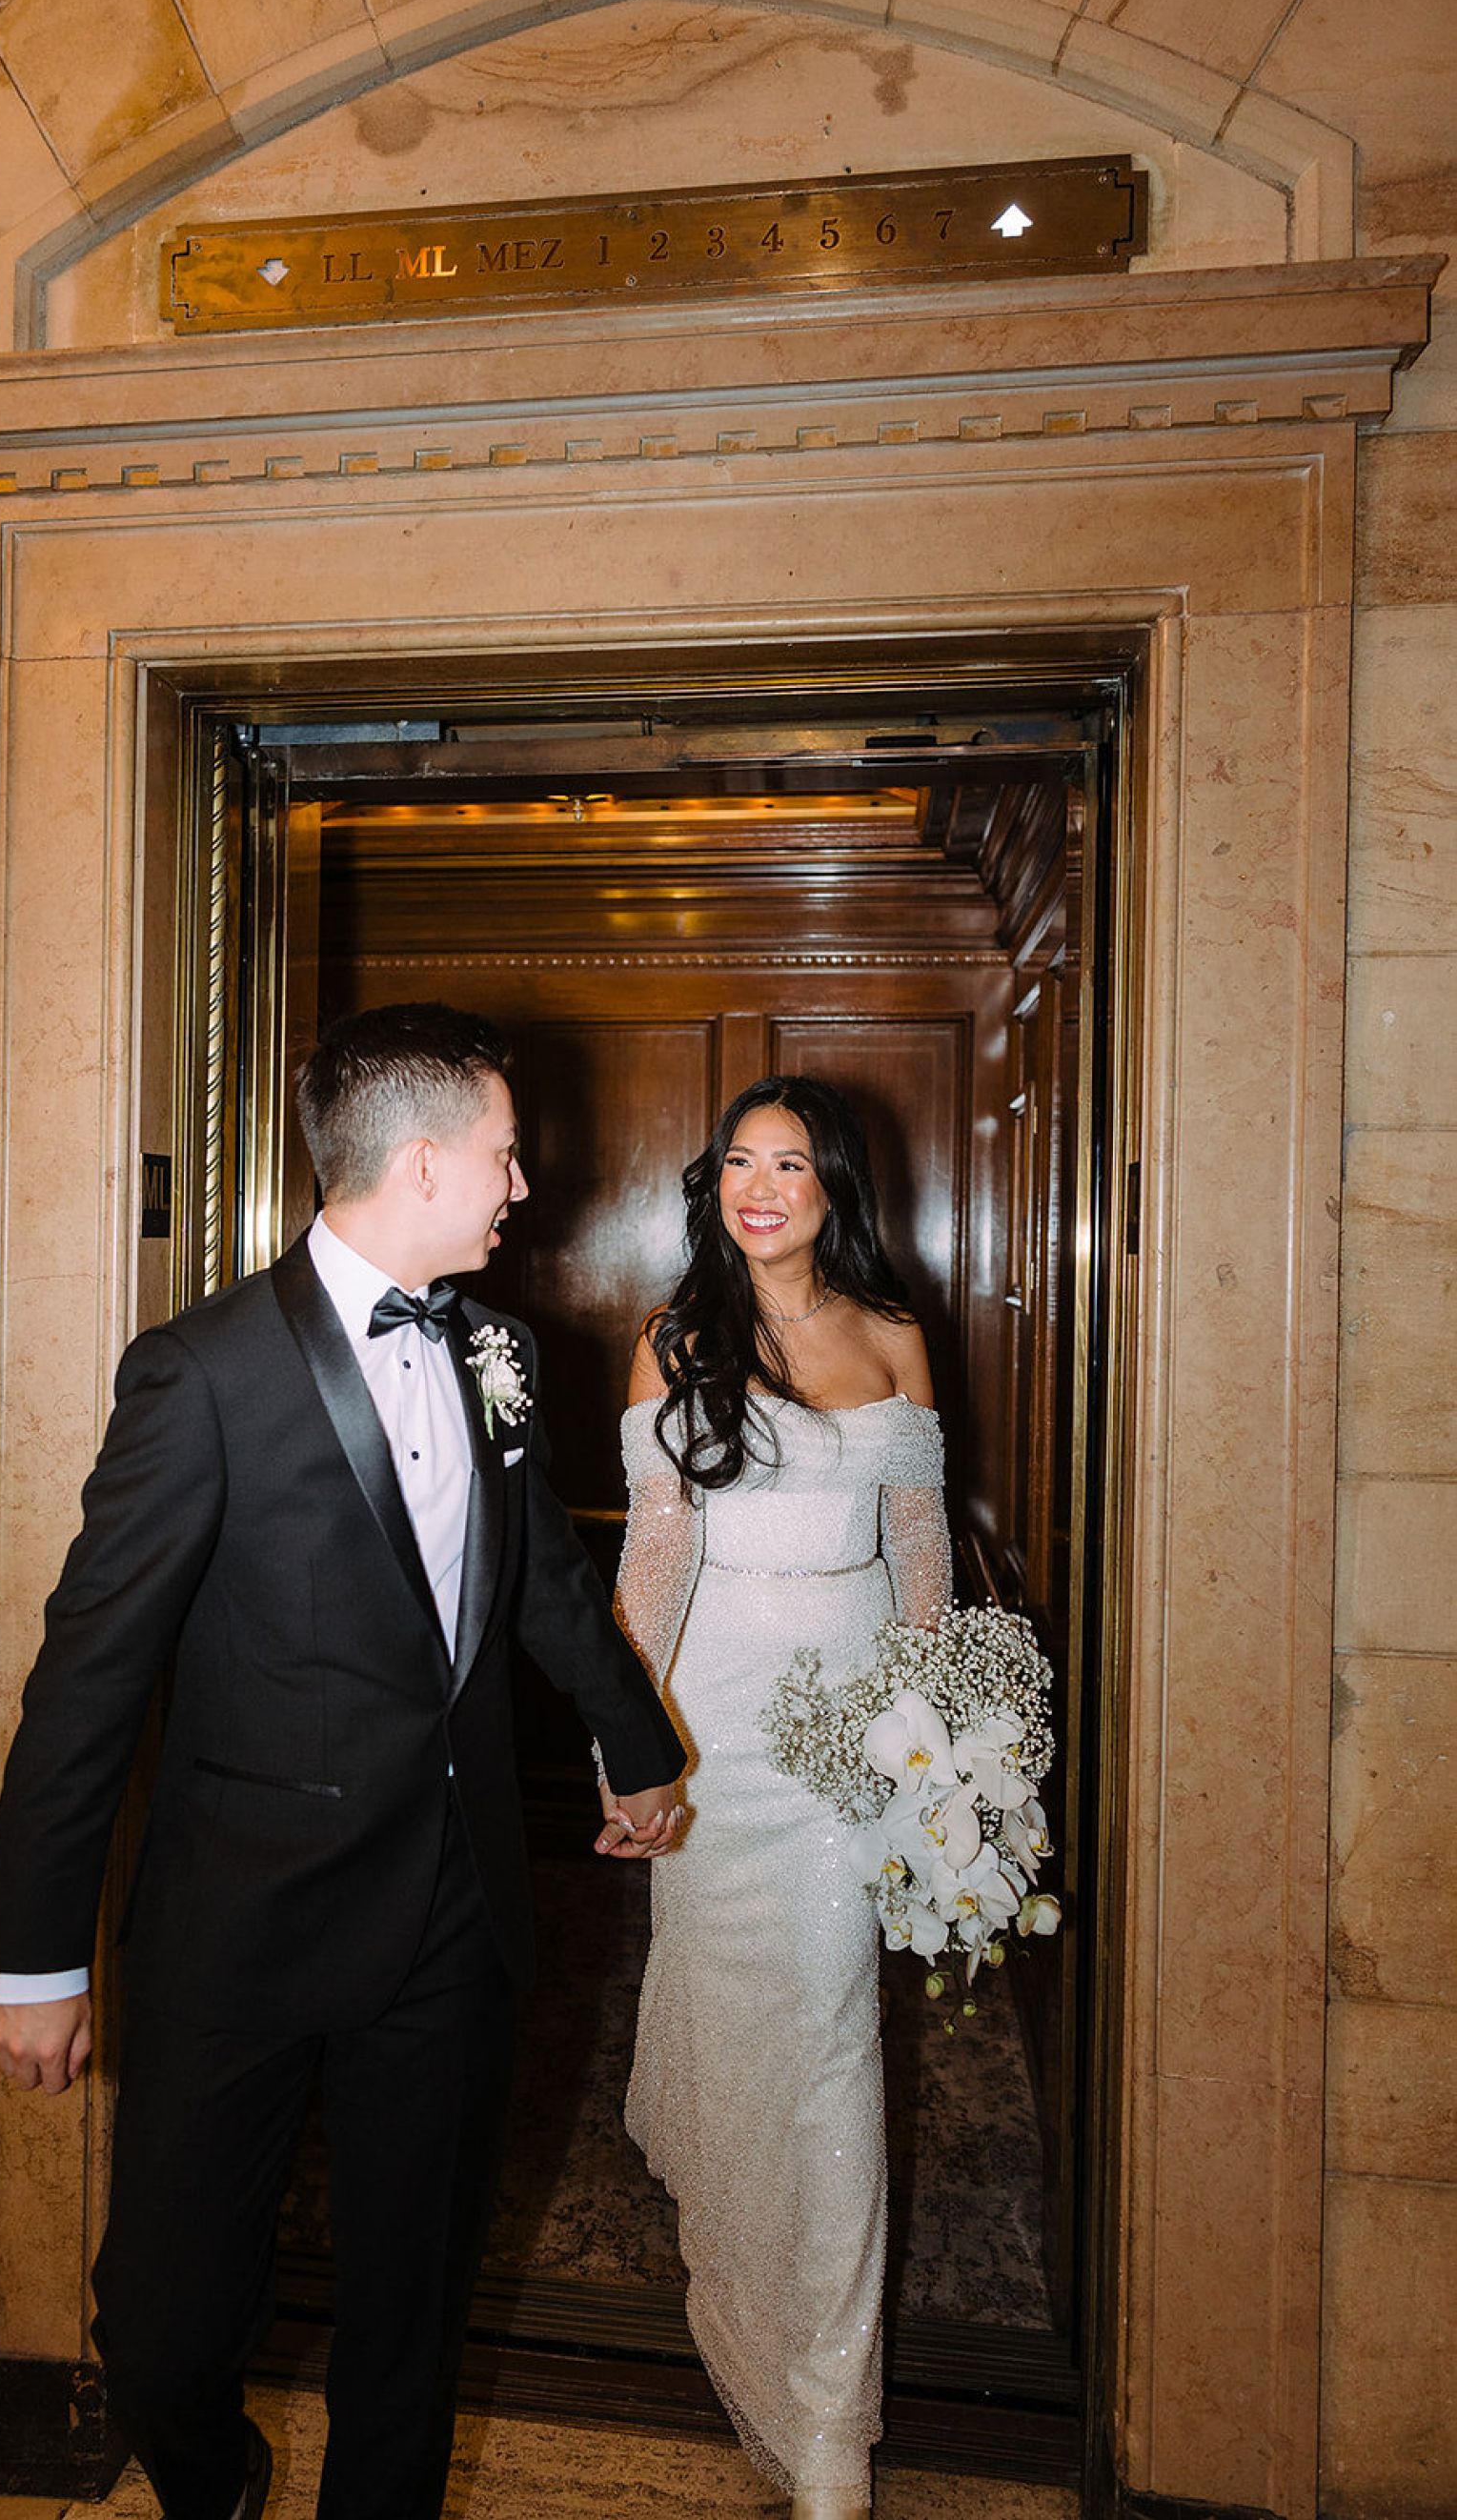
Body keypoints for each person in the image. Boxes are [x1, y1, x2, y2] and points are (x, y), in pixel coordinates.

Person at [0, 1002, 686, 2520]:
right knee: (160, 2329)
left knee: (410, 2322)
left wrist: (637, 1751)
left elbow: (544, 1574)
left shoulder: (499, 1349)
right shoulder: (201, 1374)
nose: (518, 1186)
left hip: (450, 1915)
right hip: (238, 1926)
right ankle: (217, 2484)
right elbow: (89, 1673)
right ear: (421, 1162)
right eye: (501, 1158)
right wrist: (33, 1955)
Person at [607, 1076, 952, 2520]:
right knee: (723, 2016)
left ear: (835, 1189)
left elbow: (923, 1559)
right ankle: (733, 2235)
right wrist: (629, 1752)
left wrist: (939, 1755)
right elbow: (654, 1562)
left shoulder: (892, 1339)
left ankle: (823, 2416)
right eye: (738, 1162)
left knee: (826, 2046)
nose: (760, 1187)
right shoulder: (673, 1340)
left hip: (849, 1734)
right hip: (715, 1724)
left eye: (790, 1164)